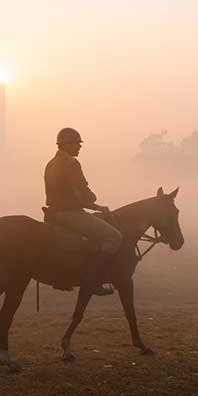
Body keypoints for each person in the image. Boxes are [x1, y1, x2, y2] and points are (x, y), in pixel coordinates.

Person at [44, 127, 122, 296]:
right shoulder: (72, 163)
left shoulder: (50, 163)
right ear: (66, 144)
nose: (79, 147)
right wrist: (94, 202)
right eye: (77, 144)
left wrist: (94, 206)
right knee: (114, 236)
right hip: (70, 214)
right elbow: (84, 193)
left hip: (53, 214)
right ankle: (93, 281)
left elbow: (65, 193)